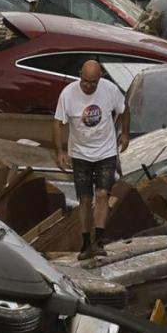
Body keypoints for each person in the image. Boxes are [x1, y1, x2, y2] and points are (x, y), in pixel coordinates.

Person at [53, 59, 130, 260]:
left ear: (100, 79)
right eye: (85, 81)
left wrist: (125, 134)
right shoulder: (68, 94)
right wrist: (60, 152)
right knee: (85, 199)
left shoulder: (110, 90)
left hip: (105, 151)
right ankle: (86, 242)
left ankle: (99, 240)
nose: (88, 86)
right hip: (80, 153)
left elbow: (124, 109)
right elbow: (57, 123)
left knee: (103, 194)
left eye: (93, 82)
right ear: (80, 75)